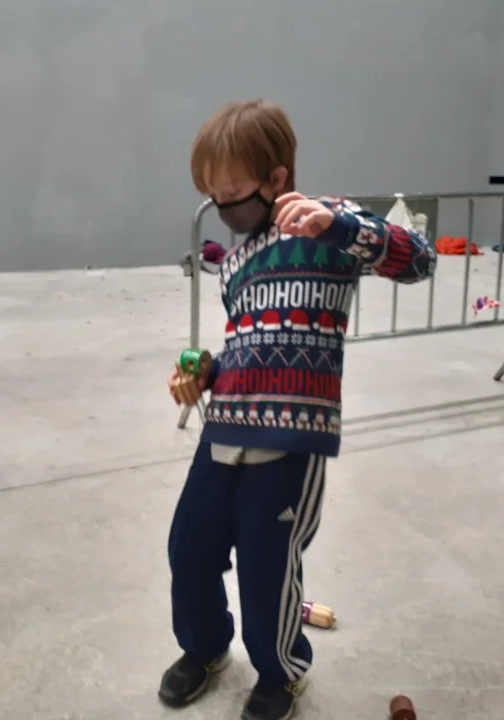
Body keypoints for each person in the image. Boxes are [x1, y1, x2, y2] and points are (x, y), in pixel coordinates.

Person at [160, 99, 436, 720]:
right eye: (212, 196)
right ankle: (204, 646)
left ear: (276, 178)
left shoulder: (327, 228)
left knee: (268, 568)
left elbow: (420, 259)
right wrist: (205, 375)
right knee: (190, 548)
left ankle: (280, 672)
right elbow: (246, 347)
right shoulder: (235, 264)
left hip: (290, 442)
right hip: (223, 429)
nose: (222, 206)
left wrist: (338, 227)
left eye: (231, 193)